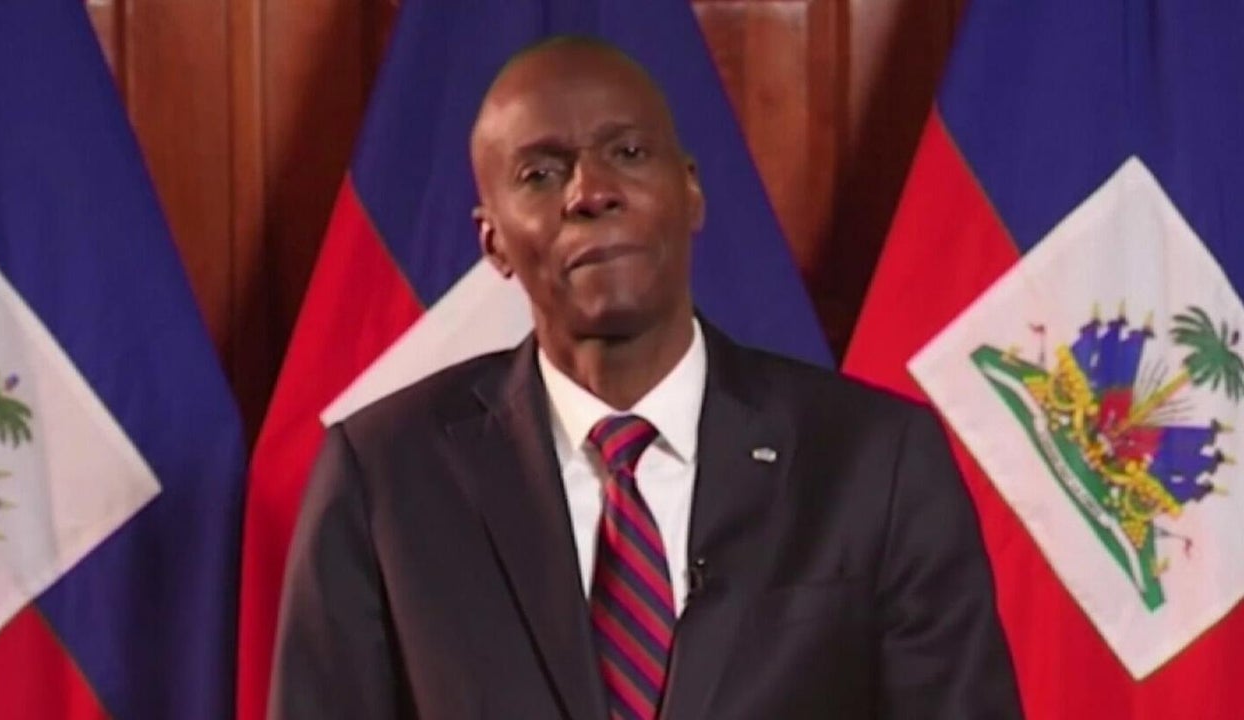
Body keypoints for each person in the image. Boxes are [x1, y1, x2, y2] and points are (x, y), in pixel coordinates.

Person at [269, 35, 1023, 720]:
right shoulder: (383, 475)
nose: (590, 192)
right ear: (492, 240)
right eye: (540, 173)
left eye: (628, 153)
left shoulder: (876, 459)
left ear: (689, 191)